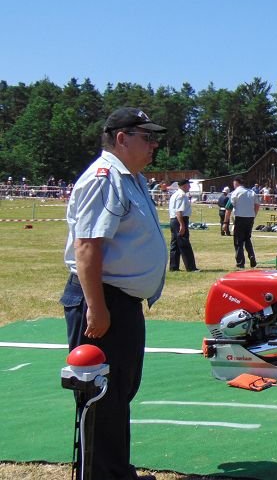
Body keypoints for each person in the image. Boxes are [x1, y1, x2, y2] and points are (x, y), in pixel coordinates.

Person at [59, 106, 167, 480]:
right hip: (103, 301)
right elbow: (88, 246)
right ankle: (103, 475)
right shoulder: (105, 177)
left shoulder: (130, 177)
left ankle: (117, 471)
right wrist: (96, 307)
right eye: (147, 137)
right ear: (122, 138)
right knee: (101, 396)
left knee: (119, 393)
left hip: (120, 302)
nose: (154, 145)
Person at [223, 176, 260, 268]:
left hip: (240, 218)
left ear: (237, 183)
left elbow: (228, 209)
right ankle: (251, 256)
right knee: (247, 239)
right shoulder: (252, 192)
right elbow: (257, 205)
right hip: (250, 218)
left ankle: (240, 263)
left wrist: (225, 223)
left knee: (238, 241)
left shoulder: (235, 193)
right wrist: (253, 215)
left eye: (234, 183)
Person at [168, 179, 199, 272]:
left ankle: (174, 267)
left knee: (175, 245)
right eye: (188, 185)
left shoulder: (175, 194)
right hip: (179, 220)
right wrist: (182, 225)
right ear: (184, 185)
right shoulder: (181, 195)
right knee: (184, 244)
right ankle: (191, 267)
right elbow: (179, 211)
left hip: (174, 220)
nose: (189, 187)